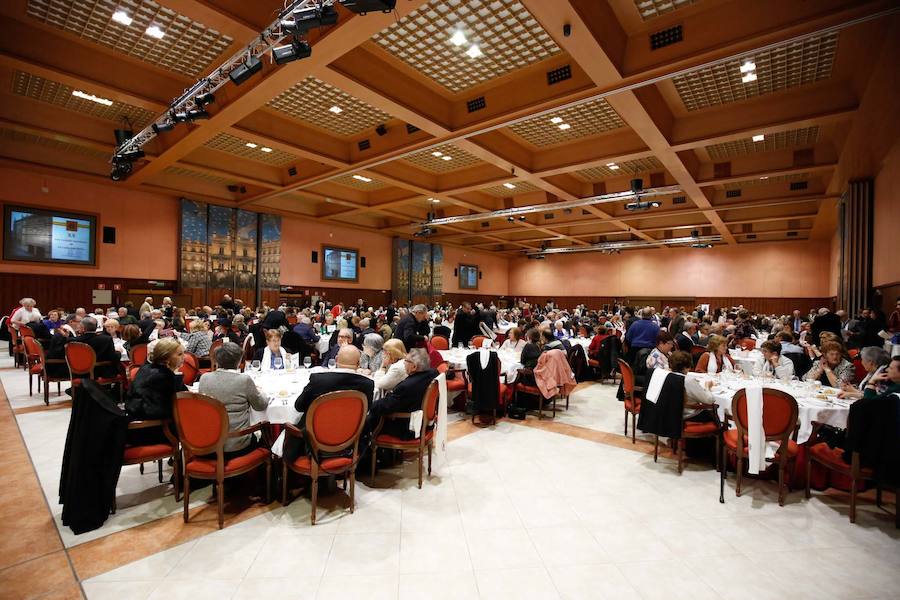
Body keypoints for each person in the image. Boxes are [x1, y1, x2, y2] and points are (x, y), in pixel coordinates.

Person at [285, 345, 374, 462]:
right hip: (350, 443)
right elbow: (366, 410)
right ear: (358, 364)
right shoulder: (367, 384)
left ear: (336, 359)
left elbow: (299, 406)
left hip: (313, 444)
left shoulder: (319, 380)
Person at [197, 342, 268, 456]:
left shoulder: (204, 378)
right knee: (266, 437)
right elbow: (261, 405)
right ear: (239, 361)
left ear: (217, 360)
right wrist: (262, 392)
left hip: (210, 443)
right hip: (237, 444)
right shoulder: (244, 380)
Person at [125, 338, 186, 445]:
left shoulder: (146, 368)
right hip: (151, 429)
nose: (184, 357)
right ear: (166, 358)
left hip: (135, 426)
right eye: (180, 354)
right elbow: (171, 407)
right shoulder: (164, 376)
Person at [366, 348, 437, 440]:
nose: (403, 363)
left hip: (407, 428)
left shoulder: (407, 386)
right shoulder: (433, 373)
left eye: (406, 361)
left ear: (414, 367)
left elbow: (387, 406)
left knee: (367, 419)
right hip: (425, 422)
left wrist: (369, 405)